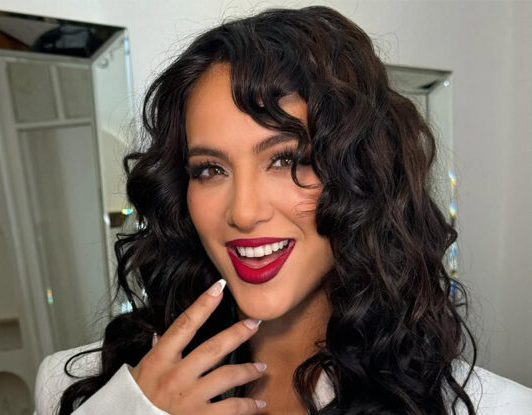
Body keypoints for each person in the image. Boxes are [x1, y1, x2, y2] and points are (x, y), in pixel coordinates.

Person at [34, 5, 532, 415]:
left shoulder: (496, 407)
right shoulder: (73, 387)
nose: (244, 212)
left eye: (288, 159)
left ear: (363, 176)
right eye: (210, 169)